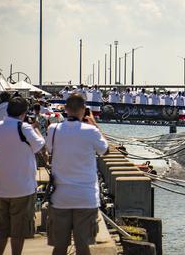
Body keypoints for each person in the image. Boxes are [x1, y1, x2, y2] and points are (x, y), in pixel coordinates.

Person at [46, 93, 108, 255]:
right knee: (83, 247)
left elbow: (49, 150)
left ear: (65, 109)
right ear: (84, 110)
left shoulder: (53, 130)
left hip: (60, 196)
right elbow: (105, 150)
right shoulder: (91, 131)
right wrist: (95, 125)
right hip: (85, 197)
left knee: (59, 247)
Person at [0, 97, 46, 255]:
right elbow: (39, 144)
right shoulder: (25, 127)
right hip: (23, 187)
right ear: (23, 112)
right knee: (18, 230)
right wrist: (34, 127)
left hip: (0, 187)